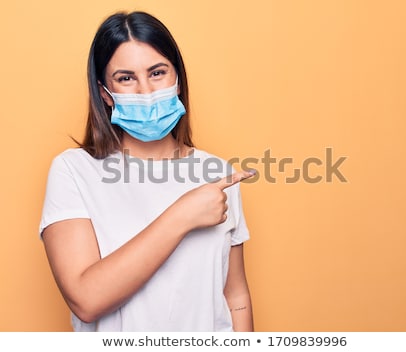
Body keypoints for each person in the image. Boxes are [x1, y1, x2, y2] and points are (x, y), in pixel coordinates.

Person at [39, 11, 254, 332]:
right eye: (126, 78)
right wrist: (183, 214)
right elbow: (86, 299)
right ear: (103, 93)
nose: (145, 91)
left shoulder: (218, 173)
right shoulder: (73, 171)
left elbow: (235, 294)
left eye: (157, 73)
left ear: (178, 79)